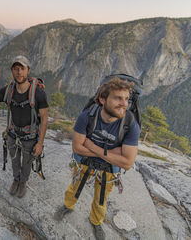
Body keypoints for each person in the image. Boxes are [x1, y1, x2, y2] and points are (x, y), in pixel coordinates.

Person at [54, 77, 140, 240]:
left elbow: (128, 163)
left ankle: (96, 221)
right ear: (102, 99)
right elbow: (77, 147)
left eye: (127, 99)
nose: (124, 104)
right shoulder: (87, 116)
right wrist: (112, 153)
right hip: (87, 162)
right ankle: (68, 206)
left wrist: (93, 147)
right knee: (75, 186)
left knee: (101, 197)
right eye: (118, 98)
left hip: (106, 168)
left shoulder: (130, 125)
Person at [0, 55, 49, 198]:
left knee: (27, 160)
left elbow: (44, 118)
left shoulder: (38, 93)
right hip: (12, 133)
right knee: (14, 159)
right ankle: (16, 179)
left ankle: (23, 182)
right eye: (16, 69)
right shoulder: (8, 90)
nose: (19, 72)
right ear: (12, 71)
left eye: (22, 69)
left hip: (30, 135)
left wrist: (40, 143)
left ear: (28, 70)